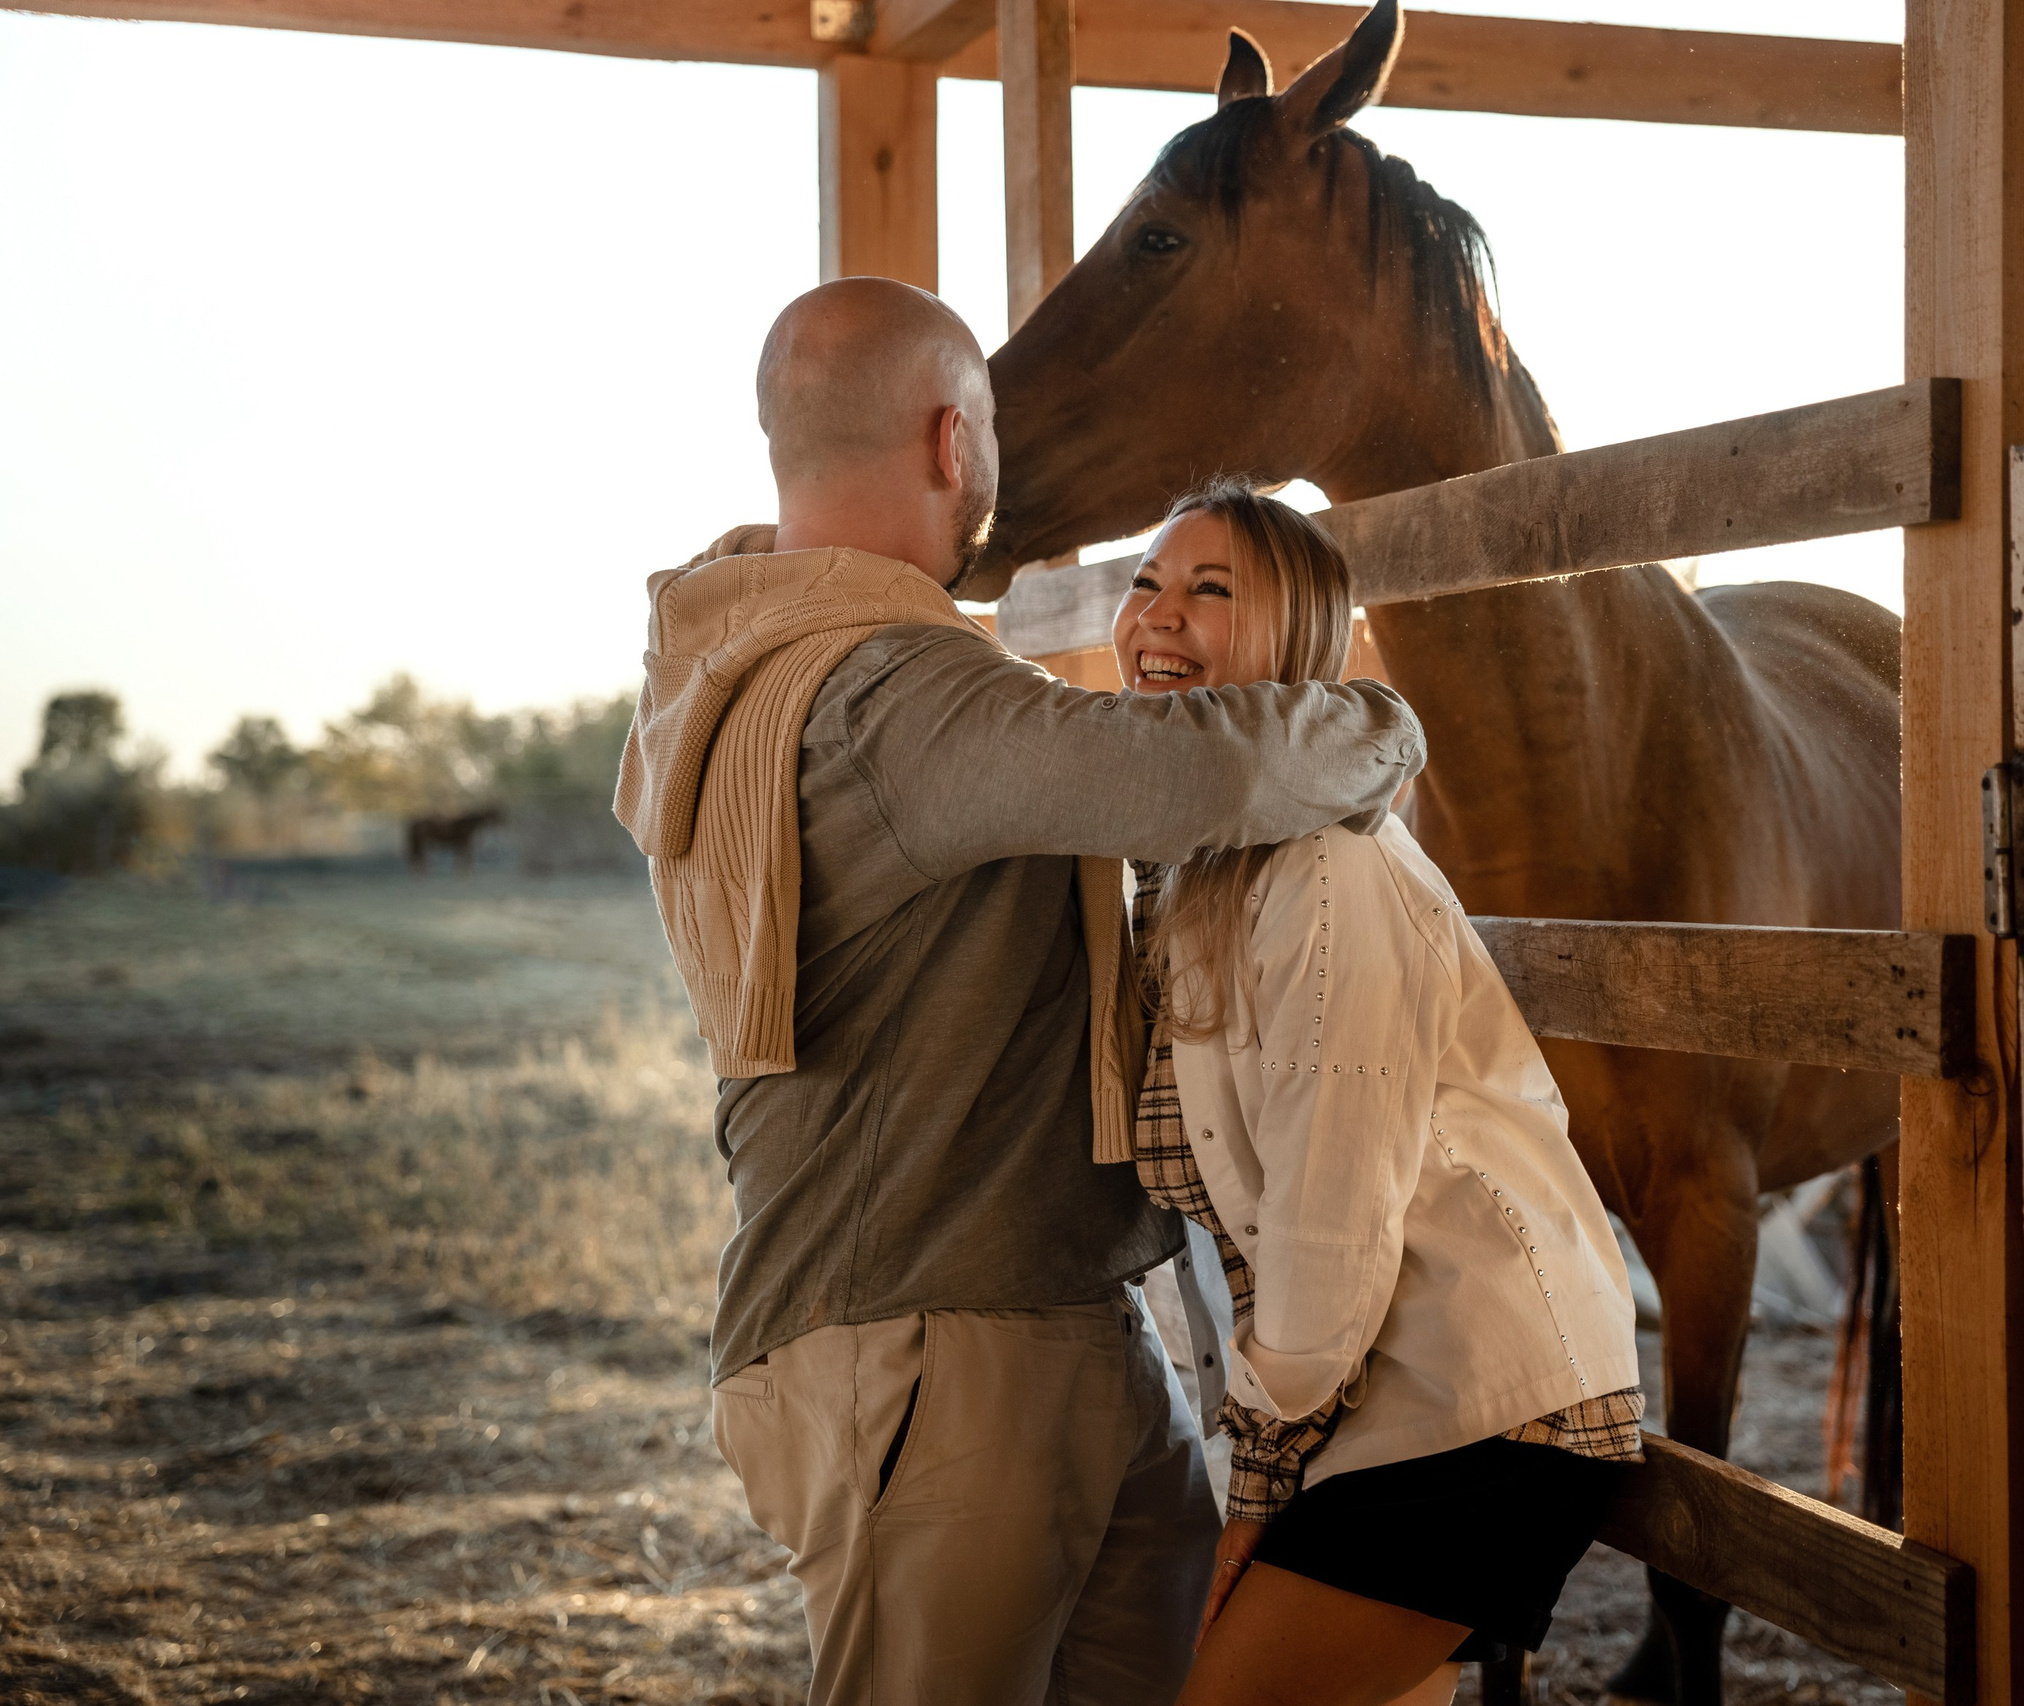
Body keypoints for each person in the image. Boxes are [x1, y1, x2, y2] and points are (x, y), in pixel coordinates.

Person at [612, 280, 1428, 1706]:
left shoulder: (762, 657)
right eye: (990, 424)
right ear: (950, 445)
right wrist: (1379, 709)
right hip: (932, 1346)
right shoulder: (886, 692)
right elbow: (1201, 771)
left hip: (1046, 1319)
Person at [1109, 479, 1645, 1706]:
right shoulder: (1199, 870)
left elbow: (1328, 1219)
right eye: (1146, 582)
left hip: (1482, 1409)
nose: (1158, 616)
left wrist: (1255, 1482)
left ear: (1298, 639)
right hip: (1360, 1409)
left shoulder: (1328, 873)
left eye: (1209, 590)